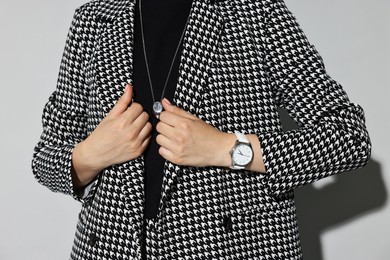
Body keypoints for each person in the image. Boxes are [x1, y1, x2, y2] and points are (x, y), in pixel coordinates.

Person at [31, 0, 371, 259]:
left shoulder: (255, 13)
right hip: (108, 248)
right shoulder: (94, 20)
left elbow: (349, 137)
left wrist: (227, 149)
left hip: (232, 247)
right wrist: (91, 153)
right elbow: (45, 157)